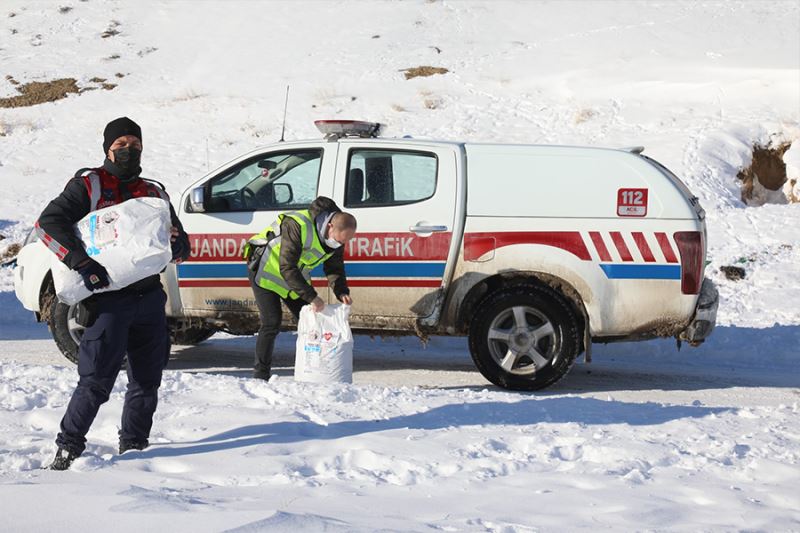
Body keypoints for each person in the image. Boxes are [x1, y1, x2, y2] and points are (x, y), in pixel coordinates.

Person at [36, 117, 190, 470]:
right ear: (107, 148)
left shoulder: (155, 192)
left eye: (134, 143)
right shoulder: (88, 186)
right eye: (120, 144)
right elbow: (49, 223)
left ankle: (134, 447)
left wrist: (178, 244)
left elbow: (180, 241)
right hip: (107, 300)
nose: (128, 149)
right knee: (95, 381)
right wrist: (82, 263)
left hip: (149, 298)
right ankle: (68, 447)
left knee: (147, 380)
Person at [244, 196, 356, 380]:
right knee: (271, 322)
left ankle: (316, 371)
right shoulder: (297, 224)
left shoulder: (337, 239)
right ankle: (260, 376)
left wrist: (341, 291)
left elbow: (335, 268)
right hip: (265, 270)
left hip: (294, 278)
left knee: (313, 320)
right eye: (339, 239)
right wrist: (312, 297)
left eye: (345, 242)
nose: (340, 244)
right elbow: (287, 266)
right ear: (330, 227)